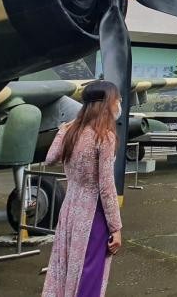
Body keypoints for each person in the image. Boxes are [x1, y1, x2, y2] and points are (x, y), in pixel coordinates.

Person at [42, 81, 123, 297]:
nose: (120, 103)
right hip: (92, 214)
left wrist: (61, 131)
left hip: (70, 209)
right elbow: (106, 186)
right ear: (107, 103)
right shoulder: (104, 136)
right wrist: (116, 227)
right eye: (118, 99)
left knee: (67, 266)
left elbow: (49, 159)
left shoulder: (73, 131)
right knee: (89, 272)